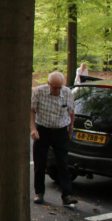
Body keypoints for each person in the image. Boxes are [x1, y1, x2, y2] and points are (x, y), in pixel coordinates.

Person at [31, 71, 78, 206]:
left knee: (62, 163)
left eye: (59, 87)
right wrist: (33, 129)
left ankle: (67, 195)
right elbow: (32, 110)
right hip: (43, 129)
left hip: (60, 130)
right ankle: (39, 193)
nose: (57, 90)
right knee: (40, 163)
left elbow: (72, 111)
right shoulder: (39, 92)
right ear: (48, 84)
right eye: (54, 87)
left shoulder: (67, 93)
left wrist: (71, 128)